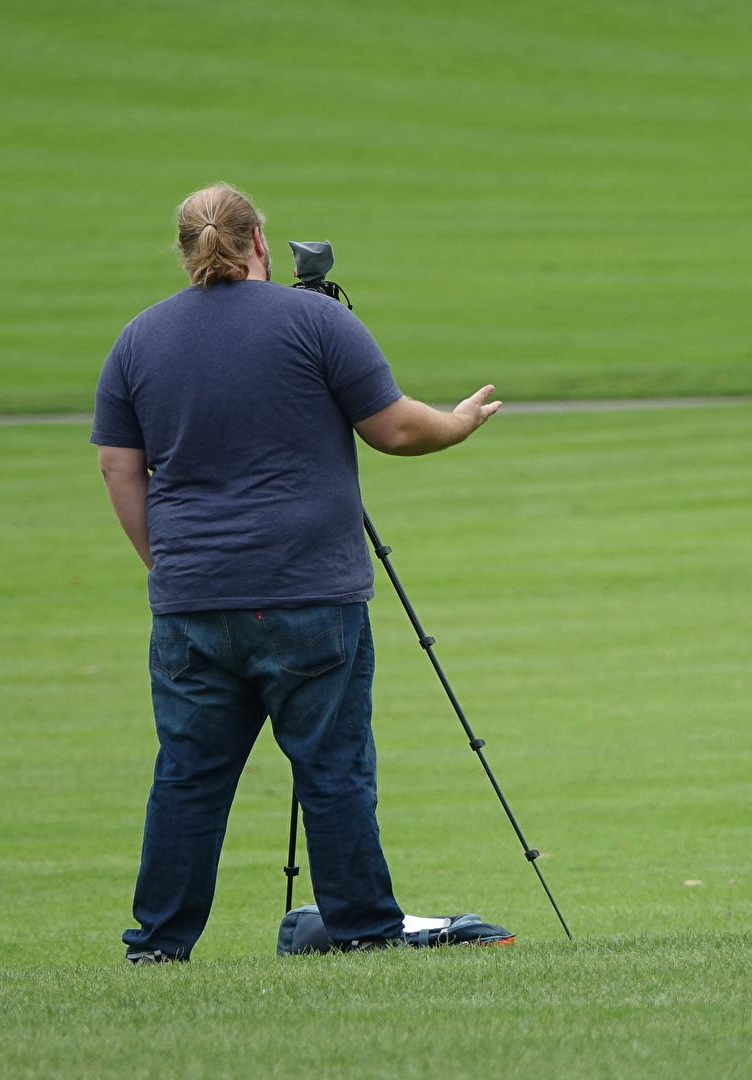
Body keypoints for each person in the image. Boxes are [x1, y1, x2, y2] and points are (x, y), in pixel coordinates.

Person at [91, 184, 500, 962]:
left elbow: (120, 468)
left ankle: (159, 944)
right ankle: (362, 927)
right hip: (312, 592)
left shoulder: (139, 340)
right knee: (333, 768)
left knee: (188, 777)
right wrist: (459, 422)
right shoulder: (316, 320)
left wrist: (171, 563)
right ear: (258, 244)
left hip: (192, 604)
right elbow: (396, 429)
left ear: (186, 252)